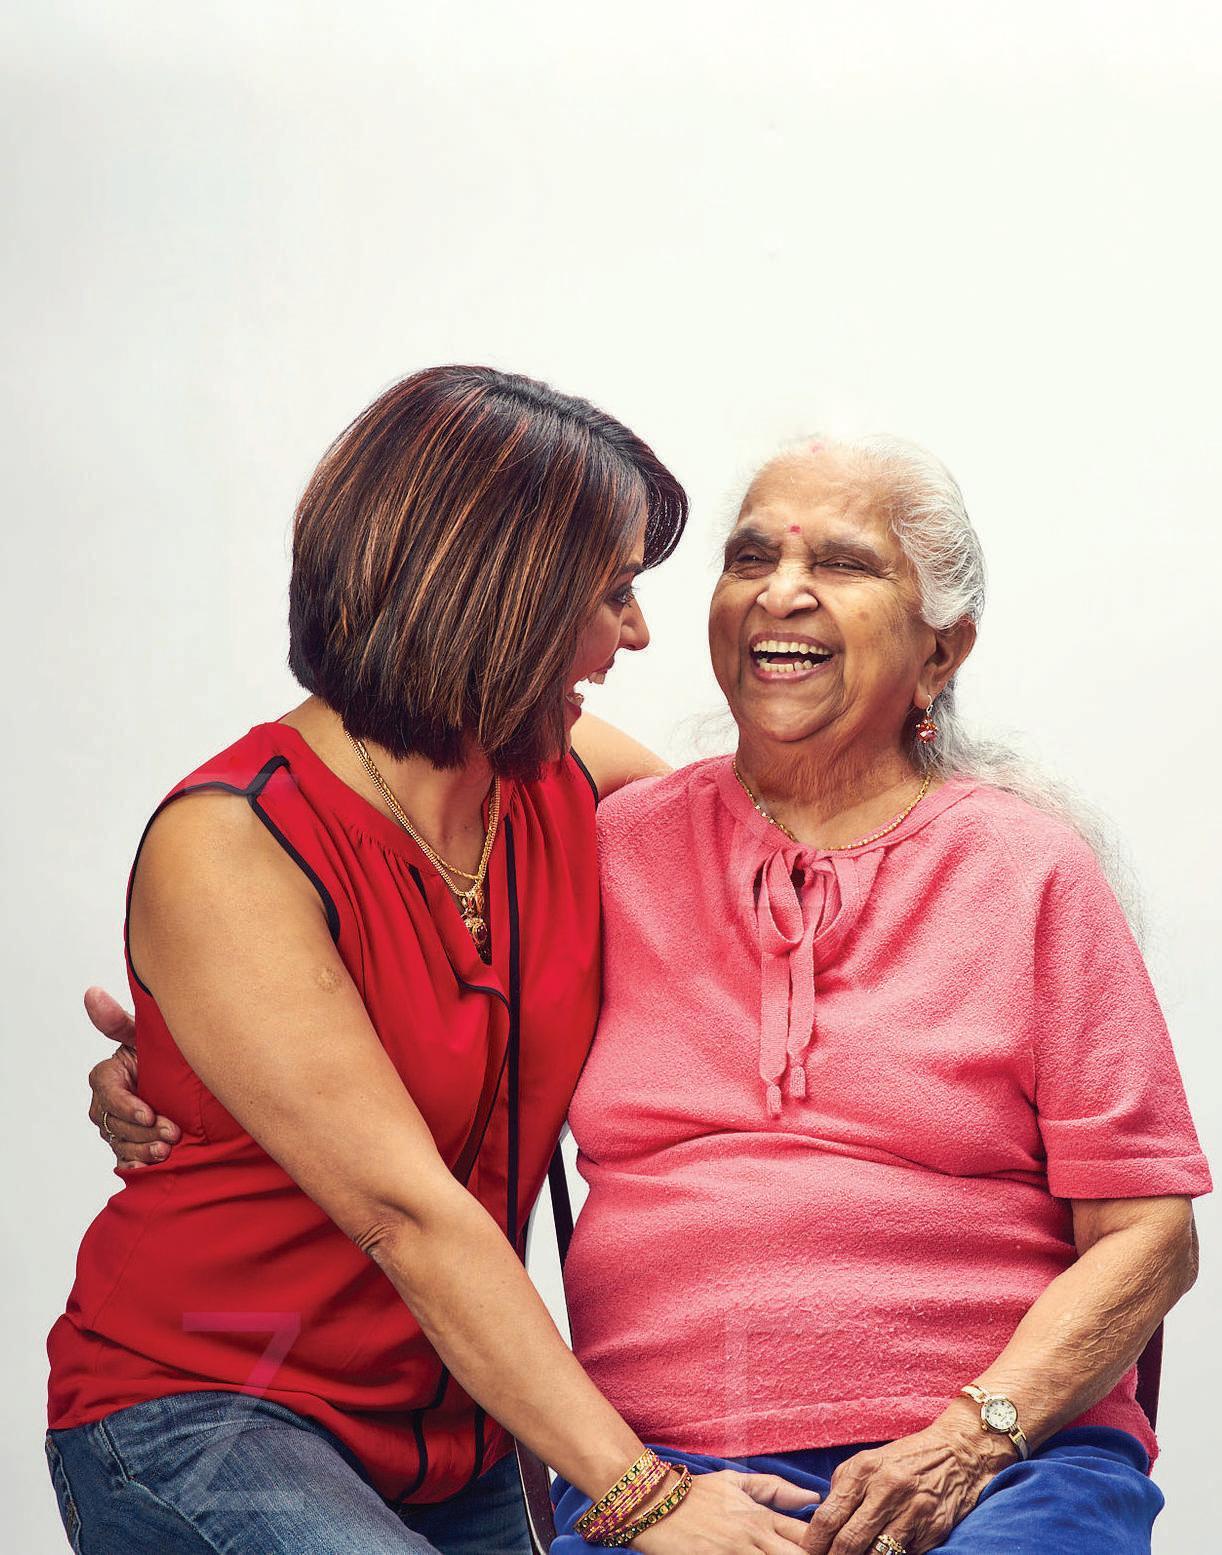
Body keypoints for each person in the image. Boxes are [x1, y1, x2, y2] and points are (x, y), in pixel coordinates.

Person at [86, 433, 1210, 1553]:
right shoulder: (593, 836)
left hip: (965, 1457)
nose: (771, 594)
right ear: (498, 602)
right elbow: (391, 1120)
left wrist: (972, 1436)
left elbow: (1147, 1231)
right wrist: (195, 1057)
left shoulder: (1010, 866)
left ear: (943, 649)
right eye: (748, 557)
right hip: (542, 1438)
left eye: (842, 563)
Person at [48, 366, 818, 1555]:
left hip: (463, 1427)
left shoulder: (571, 778)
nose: (637, 633)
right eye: (611, 593)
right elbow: (406, 1216)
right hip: (209, 1407)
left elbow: (809, 875)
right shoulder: (233, 842)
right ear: (495, 597)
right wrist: (649, 1495)